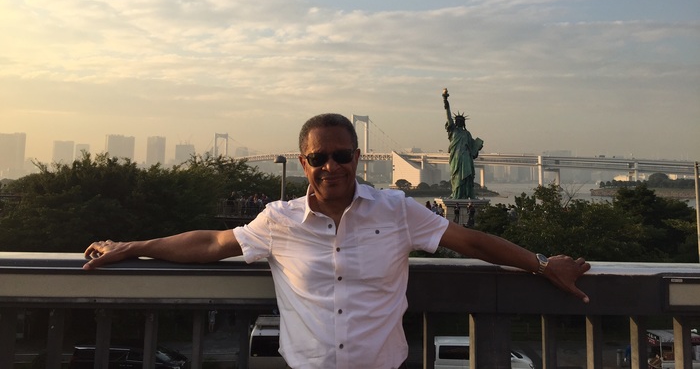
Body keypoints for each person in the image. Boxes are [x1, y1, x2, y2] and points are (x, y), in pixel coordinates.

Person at [83, 113, 590, 369]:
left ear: (357, 158)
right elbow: (212, 244)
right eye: (318, 158)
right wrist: (134, 246)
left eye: (342, 156)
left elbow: (471, 241)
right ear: (303, 163)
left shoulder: (396, 209)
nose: (331, 166)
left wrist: (543, 265)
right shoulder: (279, 220)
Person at [442, 88, 483, 199]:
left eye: (461, 121)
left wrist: (478, 146)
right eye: (457, 120)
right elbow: (448, 117)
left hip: (466, 157)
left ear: (464, 122)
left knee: (468, 176)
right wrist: (445, 100)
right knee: (457, 176)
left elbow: (473, 148)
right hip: (456, 157)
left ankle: (467, 193)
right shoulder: (453, 131)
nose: (459, 122)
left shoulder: (467, 134)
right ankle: (457, 193)